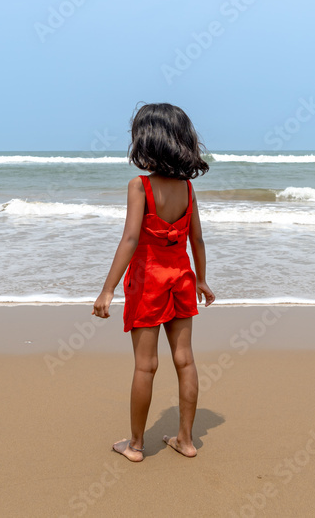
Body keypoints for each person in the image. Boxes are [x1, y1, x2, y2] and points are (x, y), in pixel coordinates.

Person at [93, 102, 216, 462]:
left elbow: (130, 240)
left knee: (146, 366)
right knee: (185, 361)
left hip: (148, 284)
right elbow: (198, 240)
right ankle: (186, 440)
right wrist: (203, 281)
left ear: (145, 142)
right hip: (181, 279)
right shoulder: (188, 190)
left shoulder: (140, 186)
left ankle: (134, 446)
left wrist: (108, 288)